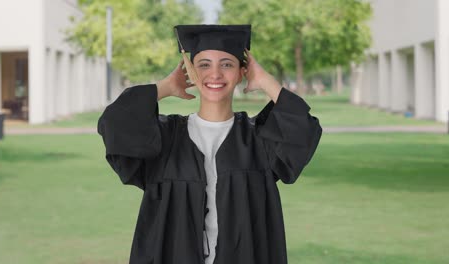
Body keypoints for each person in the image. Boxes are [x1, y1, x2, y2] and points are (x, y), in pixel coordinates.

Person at [97, 24, 322, 264]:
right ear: (192, 71)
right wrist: (163, 87)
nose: (215, 74)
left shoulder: (259, 141)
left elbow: (304, 129)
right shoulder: (166, 139)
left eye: (226, 64)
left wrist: (266, 81)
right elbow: (114, 122)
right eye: (204, 65)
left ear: (241, 72)